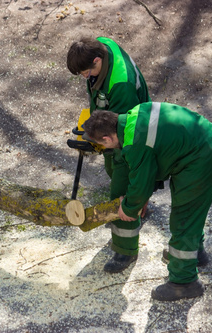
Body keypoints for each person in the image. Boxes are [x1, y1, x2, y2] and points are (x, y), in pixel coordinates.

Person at [82, 102, 212, 301]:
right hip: (205, 145)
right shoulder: (134, 114)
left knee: (185, 216)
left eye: (103, 145)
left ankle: (184, 282)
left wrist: (128, 208)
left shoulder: (134, 142)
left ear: (107, 137)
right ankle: (194, 253)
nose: (105, 148)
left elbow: (141, 184)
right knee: (191, 211)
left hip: (203, 157)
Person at [67, 37, 155, 273]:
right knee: (112, 171)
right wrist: (90, 129)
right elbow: (100, 98)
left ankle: (125, 250)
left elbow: (122, 136)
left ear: (97, 60)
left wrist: (98, 144)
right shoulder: (101, 45)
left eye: (87, 71)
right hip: (111, 123)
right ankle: (141, 202)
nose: (85, 77)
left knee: (121, 188)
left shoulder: (121, 85)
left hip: (128, 135)